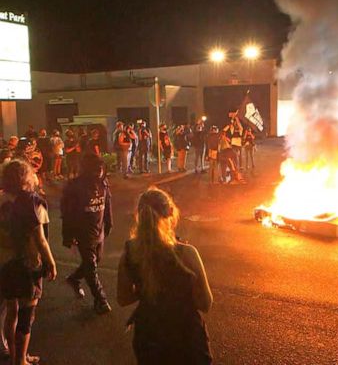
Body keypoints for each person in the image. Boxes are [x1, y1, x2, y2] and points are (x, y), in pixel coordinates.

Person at [117, 187, 213, 364]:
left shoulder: (130, 253)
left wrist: (146, 291)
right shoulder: (187, 253)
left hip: (149, 337)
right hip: (187, 338)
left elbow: (122, 298)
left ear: (138, 216)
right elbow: (205, 303)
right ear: (171, 214)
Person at [0, 159, 56, 365]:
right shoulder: (34, 202)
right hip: (27, 264)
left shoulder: (1, 199)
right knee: (26, 315)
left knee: (11, 311)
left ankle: (15, 355)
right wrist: (50, 262)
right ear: (27, 177)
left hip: (5, 264)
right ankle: (21, 360)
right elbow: (40, 239)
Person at [61, 153, 113, 314]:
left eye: (101, 167)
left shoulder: (103, 183)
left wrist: (109, 224)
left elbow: (107, 203)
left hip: (99, 231)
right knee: (91, 267)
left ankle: (74, 279)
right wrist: (68, 236)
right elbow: (67, 213)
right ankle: (101, 299)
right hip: (83, 232)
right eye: (95, 168)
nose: (99, 171)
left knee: (96, 260)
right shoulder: (75, 187)